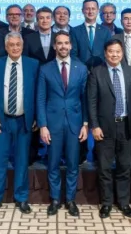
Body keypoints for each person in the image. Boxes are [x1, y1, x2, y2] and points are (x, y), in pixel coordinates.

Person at [0, 33, 38, 215]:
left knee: (22, 161)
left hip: (24, 120)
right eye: (11, 45)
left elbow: (38, 92)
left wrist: (36, 117)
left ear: (22, 46)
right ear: (6, 47)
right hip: (2, 120)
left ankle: (21, 198)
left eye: (18, 45)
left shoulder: (33, 64)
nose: (15, 48)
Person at [37, 31, 88, 217]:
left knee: (73, 164)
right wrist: (42, 125)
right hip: (53, 124)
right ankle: (55, 199)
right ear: (54, 46)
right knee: (53, 163)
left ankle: (71, 200)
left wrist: (85, 123)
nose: (63, 46)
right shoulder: (45, 69)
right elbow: (40, 98)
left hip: (75, 123)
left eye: (66, 43)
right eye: (59, 43)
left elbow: (85, 99)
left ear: (71, 45)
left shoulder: (81, 68)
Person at [87, 39, 131, 219]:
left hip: (125, 125)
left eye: (118, 51)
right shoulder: (97, 72)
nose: (114, 54)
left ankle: (124, 202)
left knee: (124, 166)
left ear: (122, 53)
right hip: (104, 127)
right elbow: (91, 102)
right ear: (105, 53)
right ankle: (107, 203)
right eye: (111, 51)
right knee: (105, 167)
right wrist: (95, 126)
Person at [71, 0, 111, 69]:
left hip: (102, 70)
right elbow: (73, 54)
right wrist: (82, 68)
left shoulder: (106, 31)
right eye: (87, 9)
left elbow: (109, 52)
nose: (90, 11)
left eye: (93, 9)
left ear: (98, 10)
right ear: (82, 11)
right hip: (81, 71)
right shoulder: (74, 31)